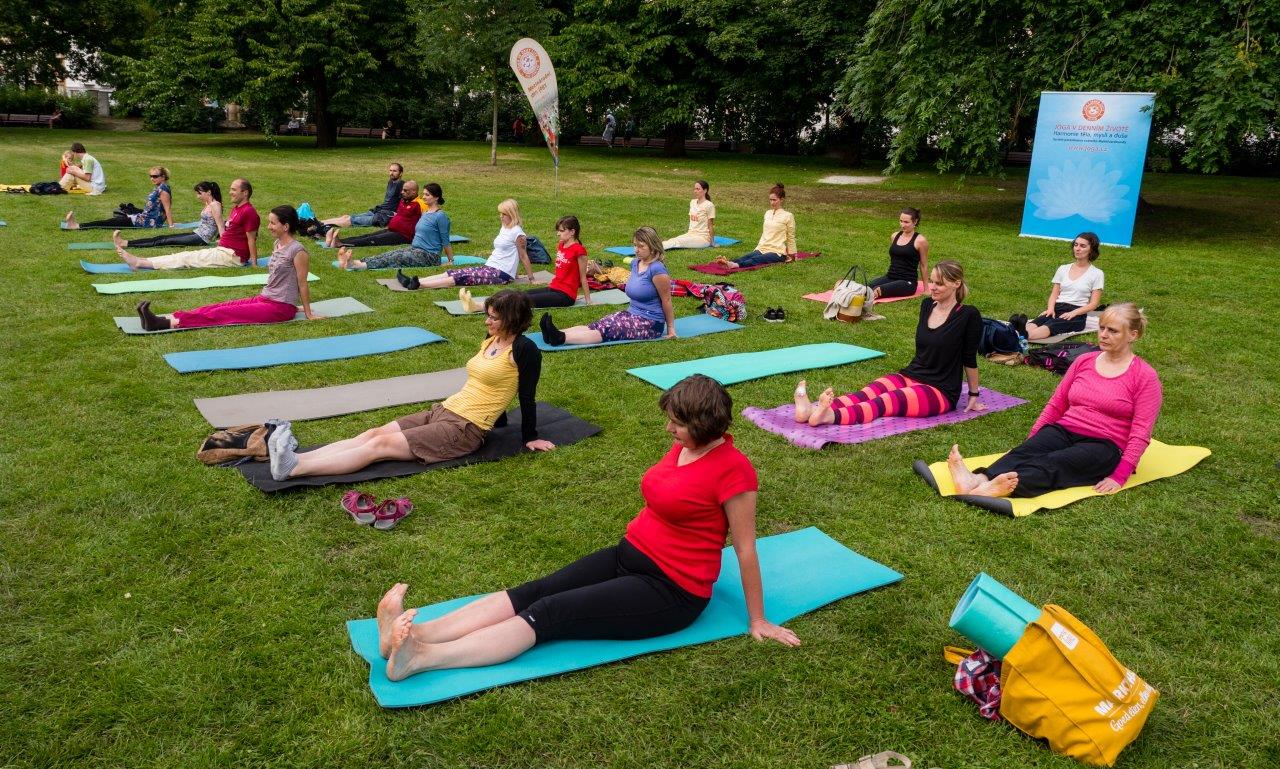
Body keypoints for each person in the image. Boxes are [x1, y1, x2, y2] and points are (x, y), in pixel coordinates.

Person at [374, 374, 799, 681]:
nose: (669, 429)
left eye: (678, 423)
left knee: (552, 613)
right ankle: (410, 637)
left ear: (706, 425)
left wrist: (758, 619)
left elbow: (744, 548)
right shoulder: (684, 446)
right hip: (628, 555)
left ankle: (422, 658)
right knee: (534, 591)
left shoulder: (735, 472)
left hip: (671, 590)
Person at [266, 290, 555, 481]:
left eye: (493, 317)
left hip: (464, 430)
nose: (487, 321)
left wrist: (529, 436)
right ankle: (297, 457)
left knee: (379, 446)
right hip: (444, 410)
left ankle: (294, 469)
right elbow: (488, 383)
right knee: (373, 432)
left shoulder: (525, 350)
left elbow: (525, 396)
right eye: (488, 314)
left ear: (512, 320)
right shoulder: (492, 340)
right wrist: (501, 419)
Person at [948, 303, 1160, 498]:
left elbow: (1141, 432)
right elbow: (1056, 404)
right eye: (1102, 328)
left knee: (1054, 463)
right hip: (1066, 429)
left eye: (1112, 331)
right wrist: (1032, 441)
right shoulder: (1084, 362)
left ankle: (994, 488)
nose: (1103, 335)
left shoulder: (1144, 376)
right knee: (1026, 453)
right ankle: (977, 479)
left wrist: (1119, 476)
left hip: (1106, 444)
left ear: (1133, 335)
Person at [796, 260, 983, 426]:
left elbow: (969, 358)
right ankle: (810, 410)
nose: (932, 287)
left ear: (956, 284)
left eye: (939, 284)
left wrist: (973, 395)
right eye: (932, 281)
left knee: (885, 401)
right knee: (867, 393)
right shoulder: (927, 305)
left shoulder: (968, 315)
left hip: (940, 390)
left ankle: (828, 416)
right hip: (911, 375)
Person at [134, 205, 319, 331]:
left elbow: (302, 284)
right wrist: (297, 307)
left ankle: (164, 324)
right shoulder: (278, 244)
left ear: (285, 226)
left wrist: (307, 313)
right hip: (267, 299)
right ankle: (166, 317)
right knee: (218, 306)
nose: (269, 226)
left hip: (279, 309)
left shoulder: (298, 251)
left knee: (223, 314)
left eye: (273, 223)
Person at [539, 226, 675, 346]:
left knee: (608, 329)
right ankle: (553, 332)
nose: (636, 250)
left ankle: (560, 338)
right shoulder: (636, 263)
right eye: (635, 245)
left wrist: (670, 329)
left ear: (652, 247)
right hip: (631, 313)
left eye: (641, 246)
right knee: (600, 324)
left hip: (650, 323)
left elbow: (667, 300)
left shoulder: (657, 269)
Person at [115, 178, 259, 270]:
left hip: (232, 256)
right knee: (185, 255)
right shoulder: (237, 209)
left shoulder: (249, 212)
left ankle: (139, 263)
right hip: (223, 250)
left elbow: (251, 239)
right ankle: (140, 261)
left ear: (245, 193)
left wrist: (253, 264)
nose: (230, 192)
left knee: (186, 258)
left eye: (234, 190)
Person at [397, 199, 534, 295]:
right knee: (455, 272)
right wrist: (516, 273)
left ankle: (419, 285)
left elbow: (522, 255)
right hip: (490, 267)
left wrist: (531, 279)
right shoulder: (505, 227)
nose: (500, 216)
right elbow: (510, 254)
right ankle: (413, 280)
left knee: (463, 278)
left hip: (501, 274)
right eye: (500, 213)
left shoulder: (518, 233)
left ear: (512, 214)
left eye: (504, 214)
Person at [1010, 232, 1105, 341]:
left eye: (1083, 246)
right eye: (1076, 245)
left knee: (1053, 324)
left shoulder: (1097, 273)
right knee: (1039, 321)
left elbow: (1094, 304)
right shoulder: (1063, 268)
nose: (1077, 249)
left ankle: (1022, 335)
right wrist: (1050, 308)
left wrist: (1073, 313)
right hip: (1057, 307)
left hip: (1077, 312)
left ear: (1091, 250)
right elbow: (1054, 294)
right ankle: (1018, 331)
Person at [337, 183, 453, 270]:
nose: (423, 197)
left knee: (396, 258)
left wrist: (450, 260)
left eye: (427, 195)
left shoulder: (440, 216)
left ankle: (360, 266)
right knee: (391, 254)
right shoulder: (426, 213)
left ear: (436, 197)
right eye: (423, 194)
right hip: (416, 250)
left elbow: (445, 240)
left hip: (429, 256)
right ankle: (354, 262)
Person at [114, 181, 225, 249]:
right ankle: (126, 242)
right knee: (162, 238)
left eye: (199, 193)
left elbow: (220, 225)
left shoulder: (215, 205)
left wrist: (223, 243)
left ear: (209, 192)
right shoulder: (209, 203)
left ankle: (125, 243)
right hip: (197, 233)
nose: (198, 196)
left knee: (164, 241)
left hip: (202, 239)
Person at [714, 183, 795, 270]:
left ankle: (735, 265)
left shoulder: (788, 216)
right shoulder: (768, 213)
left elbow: (791, 237)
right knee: (747, 256)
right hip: (763, 248)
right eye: (770, 200)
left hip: (777, 252)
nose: (772, 203)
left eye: (774, 200)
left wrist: (792, 255)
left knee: (757, 259)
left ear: (781, 200)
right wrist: (758, 248)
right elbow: (765, 233)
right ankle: (728, 262)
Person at [64, 167, 174, 230]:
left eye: (155, 176)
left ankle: (76, 226)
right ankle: (77, 225)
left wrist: (171, 226)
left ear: (163, 177)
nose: (152, 178)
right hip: (143, 218)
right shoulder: (161, 187)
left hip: (145, 223)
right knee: (115, 219)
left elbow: (167, 209)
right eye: (150, 176)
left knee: (111, 222)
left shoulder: (163, 190)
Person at [324, 180, 425, 248]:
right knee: (368, 235)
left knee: (373, 239)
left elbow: (427, 221)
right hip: (392, 230)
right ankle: (340, 240)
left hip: (403, 236)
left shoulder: (419, 204)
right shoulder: (404, 201)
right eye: (402, 189)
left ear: (414, 192)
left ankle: (340, 243)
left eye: (405, 190)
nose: (402, 192)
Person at [521, 215, 591, 308]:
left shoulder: (579, 250)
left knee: (522, 301)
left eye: (562, 231)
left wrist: (588, 301)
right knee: (519, 295)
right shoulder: (561, 245)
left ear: (572, 232)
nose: (558, 234)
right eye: (558, 230)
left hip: (566, 295)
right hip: (554, 287)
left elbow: (583, 278)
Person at [322, 163, 404, 229]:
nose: (391, 173)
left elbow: (405, 203)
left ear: (400, 173)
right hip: (379, 210)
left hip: (384, 216)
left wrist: (396, 217)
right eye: (390, 170)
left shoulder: (401, 185)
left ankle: (321, 224)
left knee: (351, 220)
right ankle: (320, 222)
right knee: (347, 216)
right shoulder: (390, 182)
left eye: (394, 171)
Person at [870, 207, 929, 299]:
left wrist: (926, 289)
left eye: (906, 222)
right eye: (901, 221)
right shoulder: (895, 236)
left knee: (878, 290)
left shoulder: (920, 241)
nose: (902, 225)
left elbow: (923, 265)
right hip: (890, 277)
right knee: (869, 286)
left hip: (907, 282)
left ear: (915, 222)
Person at [662, 180, 716, 250]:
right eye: (695, 189)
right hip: (690, 234)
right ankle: (651, 247)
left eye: (698, 189)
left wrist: (712, 242)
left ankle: (654, 250)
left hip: (703, 238)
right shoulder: (692, 202)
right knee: (673, 239)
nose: (695, 191)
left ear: (705, 190)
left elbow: (710, 225)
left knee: (678, 242)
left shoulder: (709, 205)